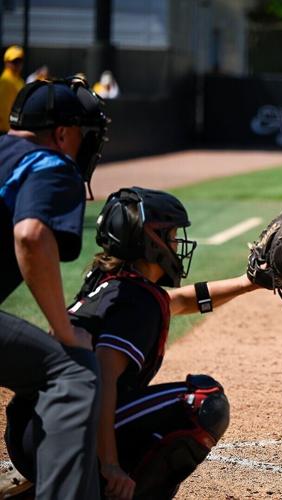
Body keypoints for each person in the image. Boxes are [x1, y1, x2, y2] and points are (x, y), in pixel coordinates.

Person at [7, 186, 264, 498]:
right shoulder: (136, 301)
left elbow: (180, 300)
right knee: (204, 401)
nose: (176, 243)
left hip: (35, 433)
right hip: (63, 436)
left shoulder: (113, 284)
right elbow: (102, 377)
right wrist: (110, 463)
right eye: (170, 235)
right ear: (149, 241)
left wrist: (249, 282)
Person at [0, 78, 109, 498]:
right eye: (82, 134)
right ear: (62, 134)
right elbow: (30, 236)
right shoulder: (51, 162)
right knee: (72, 370)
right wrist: (64, 330)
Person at [0, 46, 25, 133]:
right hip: (6, 130)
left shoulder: (18, 79)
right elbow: (3, 107)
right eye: (14, 61)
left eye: (19, 61)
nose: (17, 64)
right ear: (6, 62)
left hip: (13, 127)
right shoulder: (5, 80)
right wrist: (10, 128)